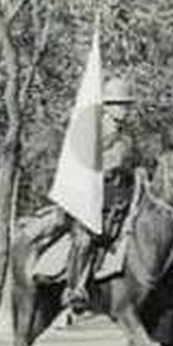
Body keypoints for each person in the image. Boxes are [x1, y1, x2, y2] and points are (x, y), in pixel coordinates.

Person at [61, 77, 141, 312]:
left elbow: (135, 163)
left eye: (126, 105)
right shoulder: (94, 133)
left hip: (121, 199)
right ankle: (75, 288)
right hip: (93, 198)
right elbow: (80, 163)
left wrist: (139, 173)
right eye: (118, 104)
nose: (123, 110)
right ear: (106, 106)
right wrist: (107, 165)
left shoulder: (128, 137)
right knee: (86, 240)